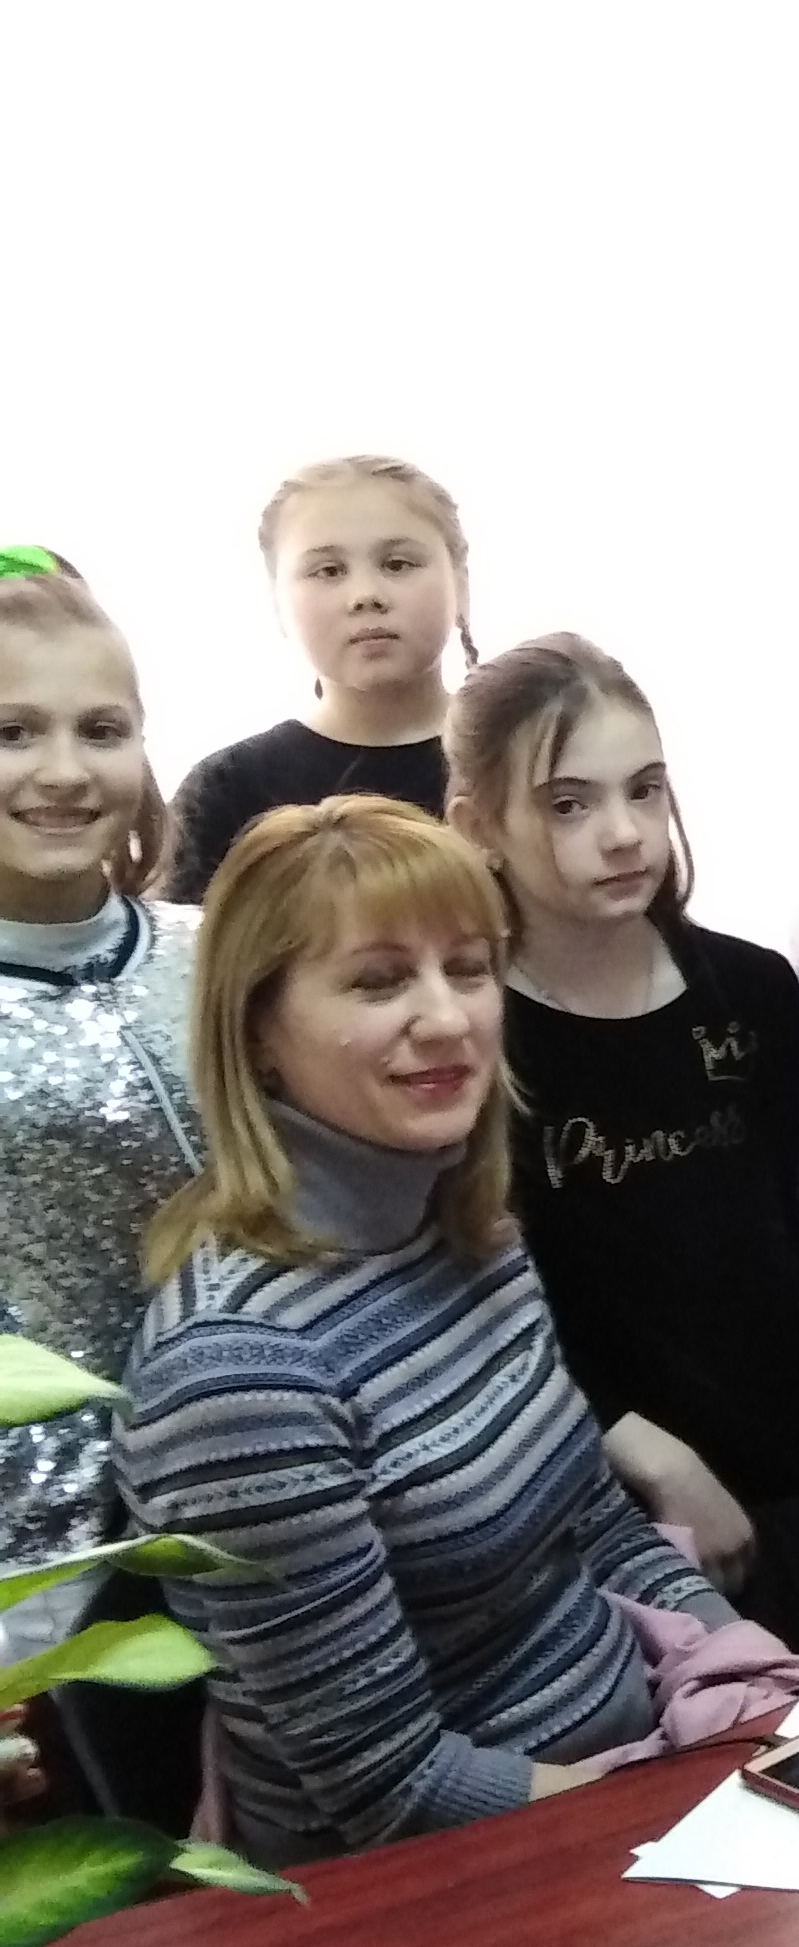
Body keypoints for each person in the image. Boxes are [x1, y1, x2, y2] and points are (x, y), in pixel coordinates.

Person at [115, 799, 738, 1867]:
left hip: (632, 1768)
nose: (447, 1019)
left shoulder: (469, 1231)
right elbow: (390, 1788)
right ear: (257, 1030)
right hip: (458, 1879)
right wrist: (671, 1809)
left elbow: (597, 1524)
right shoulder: (236, 1373)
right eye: (378, 981)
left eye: (469, 968)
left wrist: (740, 1674)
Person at [447, 634, 799, 1677]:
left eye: (644, 789)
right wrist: (629, 1440)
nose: (624, 833)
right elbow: (483, 1307)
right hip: (624, 1524)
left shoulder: (753, 991)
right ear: (477, 826)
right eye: (569, 804)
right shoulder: (469, 1042)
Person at [0, 559, 199, 1655]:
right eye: (14, 732)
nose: (65, 771)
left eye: (102, 729)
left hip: (253, 1491)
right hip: (35, 1571)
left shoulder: (213, 952)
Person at [164, 454, 476, 899]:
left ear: (460, 582)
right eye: (328, 571)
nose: (365, 595)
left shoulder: (517, 759)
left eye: (397, 564)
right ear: (277, 602)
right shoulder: (229, 789)